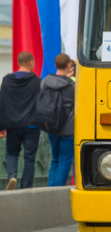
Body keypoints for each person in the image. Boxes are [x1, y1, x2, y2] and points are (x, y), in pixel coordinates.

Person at [0, 52, 41, 190]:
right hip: (31, 124)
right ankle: (26, 187)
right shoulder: (36, 81)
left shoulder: (7, 80)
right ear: (30, 62)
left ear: (19, 62)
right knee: (29, 157)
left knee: (12, 153)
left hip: (12, 124)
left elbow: (2, 103)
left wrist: (1, 125)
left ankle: (12, 175)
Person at [40, 53, 75, 187]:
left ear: (55, 65)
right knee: (64, 160)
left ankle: (51, 188)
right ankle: (58, 190)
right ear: (68, 65)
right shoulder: (72, 86)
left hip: (50, 126)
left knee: (54, 159)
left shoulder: (45, 82)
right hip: (68, 128)